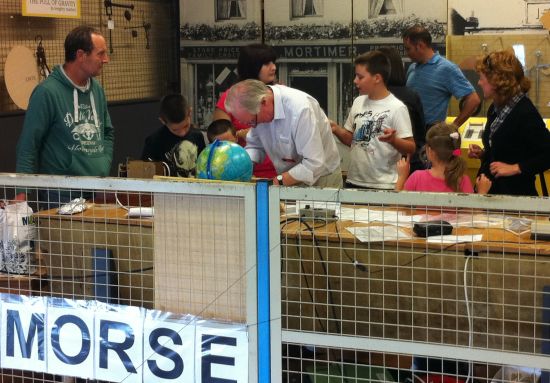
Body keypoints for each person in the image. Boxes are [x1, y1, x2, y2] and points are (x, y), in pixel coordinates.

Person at [15, 25, 113, 208]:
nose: (105, 60)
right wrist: (22, 192)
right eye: (100, 54)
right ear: (81, 55)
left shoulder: (97, 90)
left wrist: (103, 163)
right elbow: (28, 143)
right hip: (60, 193)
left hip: (96, 189)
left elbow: (107, 132)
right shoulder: (47, 92)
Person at [224, 79, 342, 188]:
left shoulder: (300, 109)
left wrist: (277, 182)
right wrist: (242, 166)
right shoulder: (256, 110)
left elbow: (314, 163)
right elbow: (255, 146)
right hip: (289, 177)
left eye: (252, 121)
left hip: (322, 178)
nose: (253, 125)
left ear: (264, 102)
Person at [468, 49, 550, 196]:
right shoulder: (495, 107)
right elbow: (510, 149)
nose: (479, 82)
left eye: (481, 78)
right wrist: (484, 154)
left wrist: (516, 167)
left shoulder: (524, 113)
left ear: (497, 80)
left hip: (515, 197)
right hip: (493, 194)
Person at [331, 51, 415, 190]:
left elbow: (411, 147)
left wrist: (394, 140)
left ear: (377, 78)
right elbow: (352, 140)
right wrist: (335, 128)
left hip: (384, 185)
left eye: (360, 77)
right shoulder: (358, 102)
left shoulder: (397, 107)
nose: (355, 81)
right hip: (354, 181)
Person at [213, 43, 278, 178]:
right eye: (266, 64)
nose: (273, 67)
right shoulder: (229, 100)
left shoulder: (280, 95)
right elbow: (221, 145)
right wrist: (247, 134)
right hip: (245, 175)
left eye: (273, 62)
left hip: (282, 174)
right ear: (251, 67)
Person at [402, 25, 480, 129]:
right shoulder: (412, 68)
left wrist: (452, 128)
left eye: (408, 49)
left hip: (431, 135)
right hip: (410, 133)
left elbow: (473, 100)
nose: (407, 54)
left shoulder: (447, 68)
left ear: (420, 46)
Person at [395, 122, 491, 193]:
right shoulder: (463, 181)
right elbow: (472, 216)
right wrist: (482, 193)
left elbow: (397, 207)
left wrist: (402, 177)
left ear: (429, 151)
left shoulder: (417, 177)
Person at [378, 46, 426, 174]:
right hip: (412, 162)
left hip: (385, 165)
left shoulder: (378, 97)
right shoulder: (411, 96)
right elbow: (421, 133)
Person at [141, 94, 206, 177]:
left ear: (190, 113)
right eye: (175, 130)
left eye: (185, 126)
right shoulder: (154, 142)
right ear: (163, 121)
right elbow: (145, 173)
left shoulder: (197, 136)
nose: (182, 133)